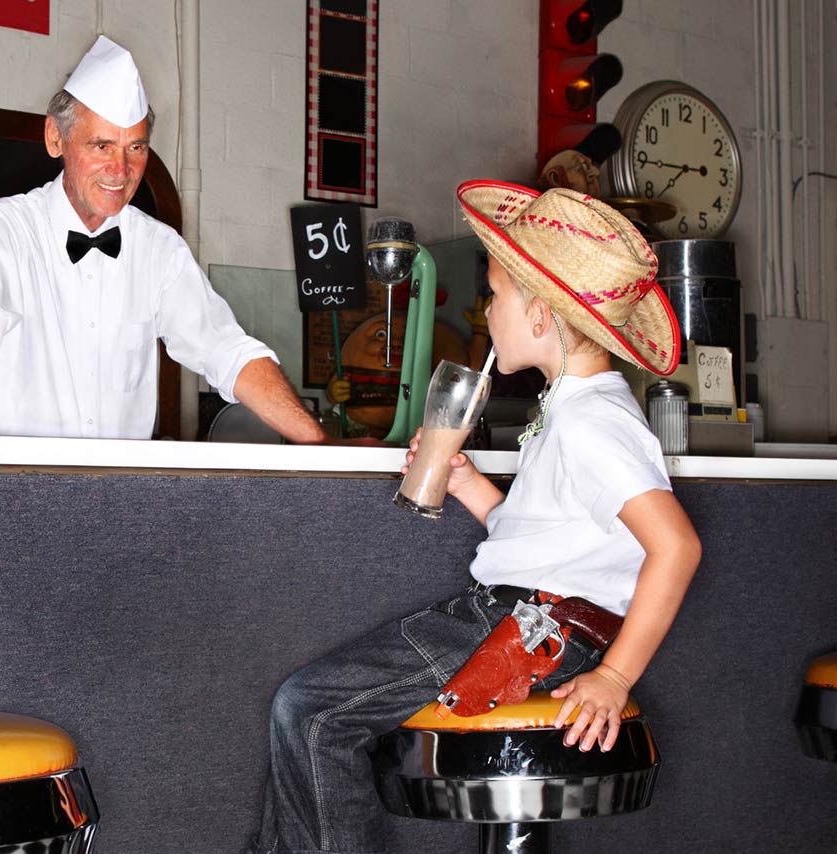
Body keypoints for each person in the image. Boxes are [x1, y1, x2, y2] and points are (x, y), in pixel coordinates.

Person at [247, 179, 703, 854]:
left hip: (527, 626)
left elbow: (677, 546)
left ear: (542, 316)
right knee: (310, 707)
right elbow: (544, 541)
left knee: (312, 713)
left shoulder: (590, 421)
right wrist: (465, 484)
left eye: (494, 296)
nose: (485, 311)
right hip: (524, 613)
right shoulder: (576, 407)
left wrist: (614, 677)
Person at [0, 36, 325, 442]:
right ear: (55, 138)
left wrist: (321, 445)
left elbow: (226, 349)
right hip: (20, 484)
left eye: (135, 147)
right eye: (101, 145)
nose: (120, 170)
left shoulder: (159, 248)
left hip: (124, 492)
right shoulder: (1, 226)